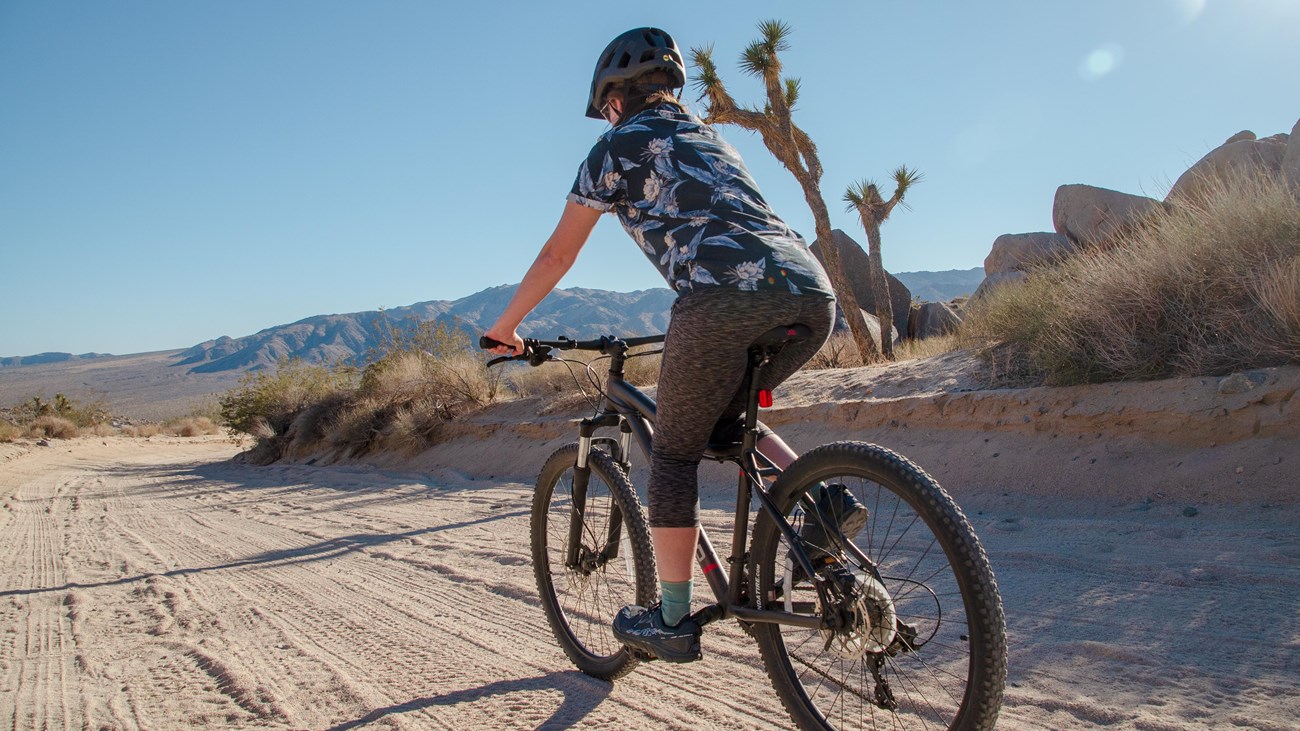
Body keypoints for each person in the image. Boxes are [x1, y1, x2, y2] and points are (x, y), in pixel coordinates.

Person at [484, 27, 864, 663]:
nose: (606, 116)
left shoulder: (613, 148)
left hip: (720, 299)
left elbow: (557, 254)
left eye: (605, 105)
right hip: (810, 292)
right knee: (730, 423)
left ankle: (672, 618)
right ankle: (819, 501)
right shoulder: (712, 139)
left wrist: (507, 326)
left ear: (617, 97)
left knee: (673, 457)